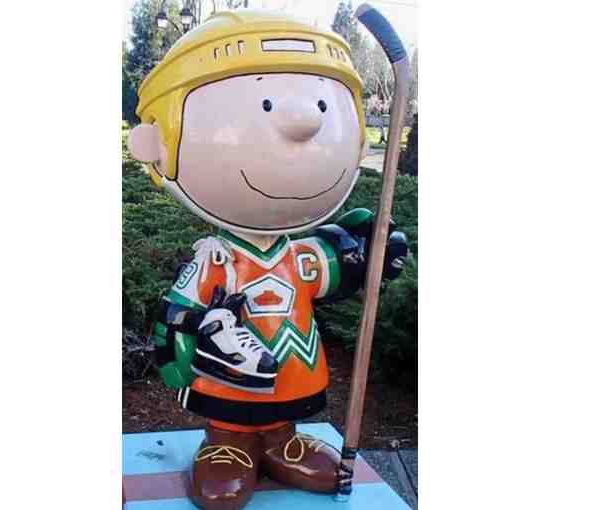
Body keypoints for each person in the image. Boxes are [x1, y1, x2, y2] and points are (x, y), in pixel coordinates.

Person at [127, 10, 407, 510]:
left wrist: (371, 257)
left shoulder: (301, 253)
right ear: (156, 143)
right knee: (229, 420)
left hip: (296, 372)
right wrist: (187, 340)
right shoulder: (216, 259)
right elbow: (177, 313)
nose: (305, 122)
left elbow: (337, 268)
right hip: (229, 387)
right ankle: (228, 444)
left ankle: (282, 442)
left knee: (287, 419)